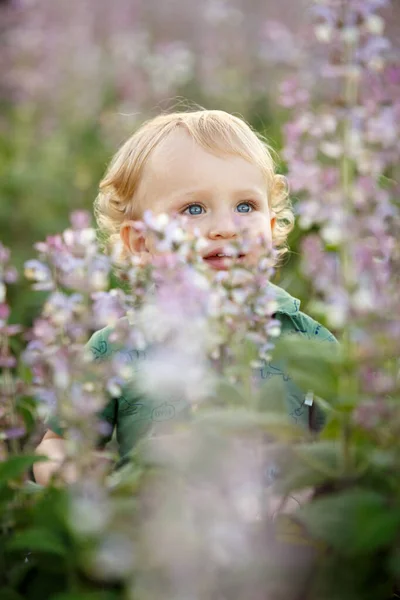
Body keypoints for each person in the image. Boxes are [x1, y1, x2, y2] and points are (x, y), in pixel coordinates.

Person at [33, 109, 337, 486]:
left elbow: (348, 443)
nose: (226, 228)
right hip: (158, 533)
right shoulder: (118, 348)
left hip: (280, 533)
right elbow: (59, 441)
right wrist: (74, 478)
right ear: (141, 242)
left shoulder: (304, 339)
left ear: (272, 227)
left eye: (246, 206)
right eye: (194, 209)